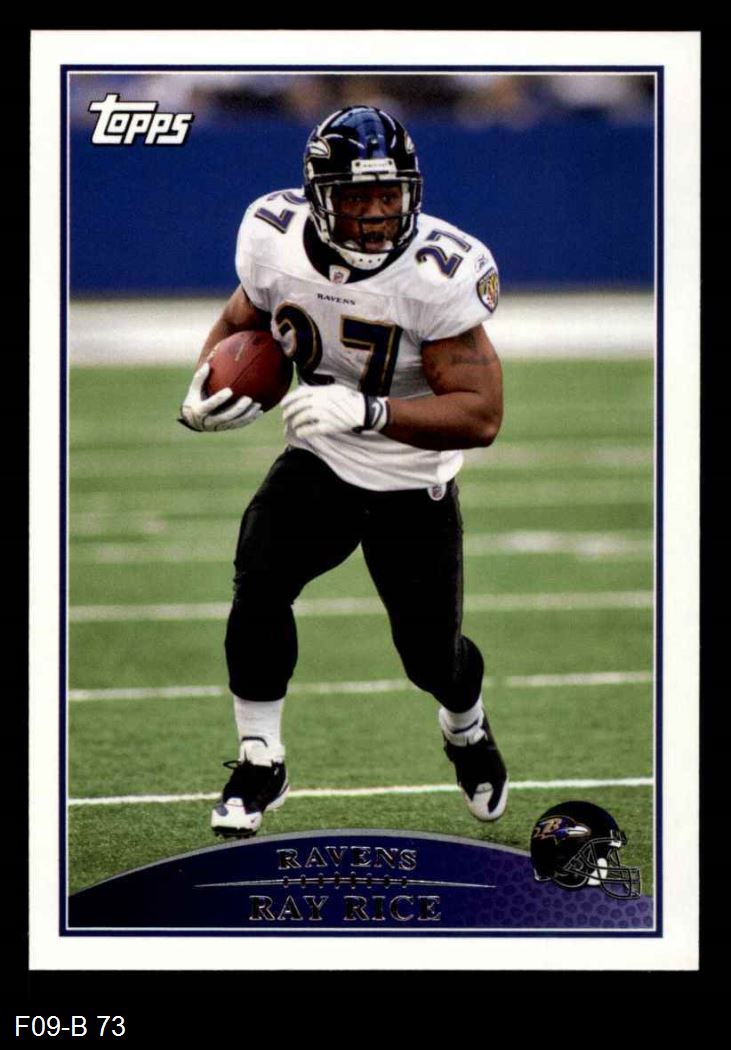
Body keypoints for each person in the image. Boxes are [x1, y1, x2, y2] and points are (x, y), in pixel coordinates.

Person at [178, 105, 508, 838]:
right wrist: (206, 383)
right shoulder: (271, 237)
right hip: (320, 457)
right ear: (319, 197)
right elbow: (241, 320)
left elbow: (482, 414)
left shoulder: (437, 272)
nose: (376, 214)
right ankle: (260, 758)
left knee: (431, 660)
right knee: (259, 583)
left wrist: (369, 410)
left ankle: (466, 726)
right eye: (357, 197)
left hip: (409, 478)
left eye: (389, 195)